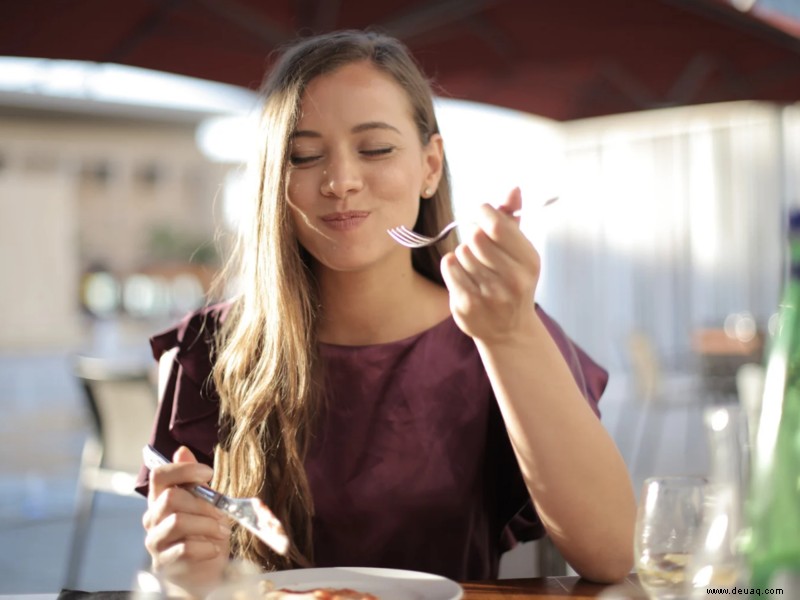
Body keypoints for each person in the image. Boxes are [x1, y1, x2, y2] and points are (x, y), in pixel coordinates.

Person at [137, 29, 636, 596]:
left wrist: (510, 334)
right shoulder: (209, 349)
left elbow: (612, 552)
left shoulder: (500, 329)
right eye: (303, 156)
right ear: (274, 181)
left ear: (430, 165)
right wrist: (185, 569)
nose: (341, 182)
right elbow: (192, 573)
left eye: (375, 149)